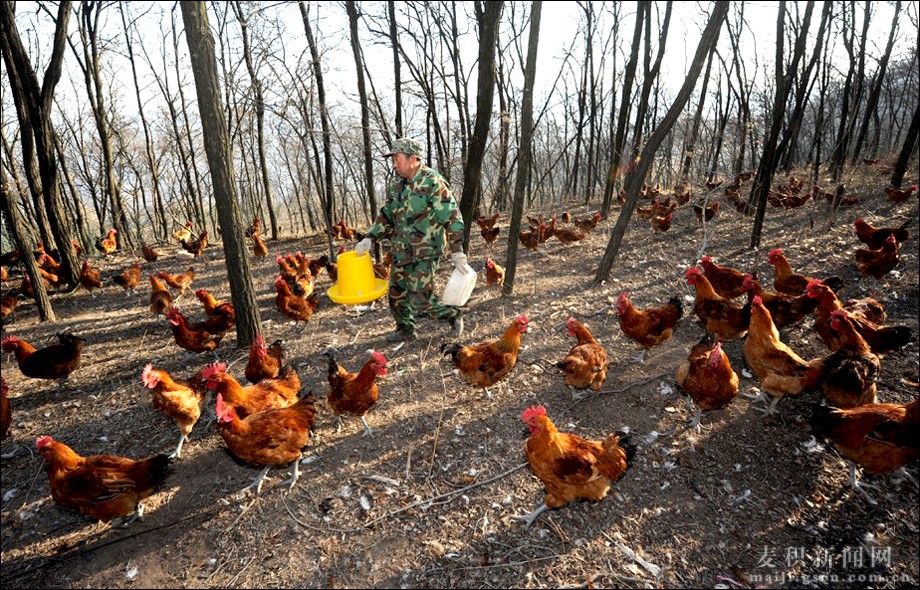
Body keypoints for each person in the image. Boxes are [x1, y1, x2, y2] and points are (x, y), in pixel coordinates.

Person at [355, 137, 469, 343]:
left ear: (414, 159)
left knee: (420, 301)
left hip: (425, 252)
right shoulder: (397, 186)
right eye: (393, 160)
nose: (394, 164)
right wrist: (370, 238)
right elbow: (387, 215)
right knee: (396, 294)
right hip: (400, 250)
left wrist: (457, 249)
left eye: (397, 159)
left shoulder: (432, 182)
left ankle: (453, 314)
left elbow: (452, 216)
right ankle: (405, 329)